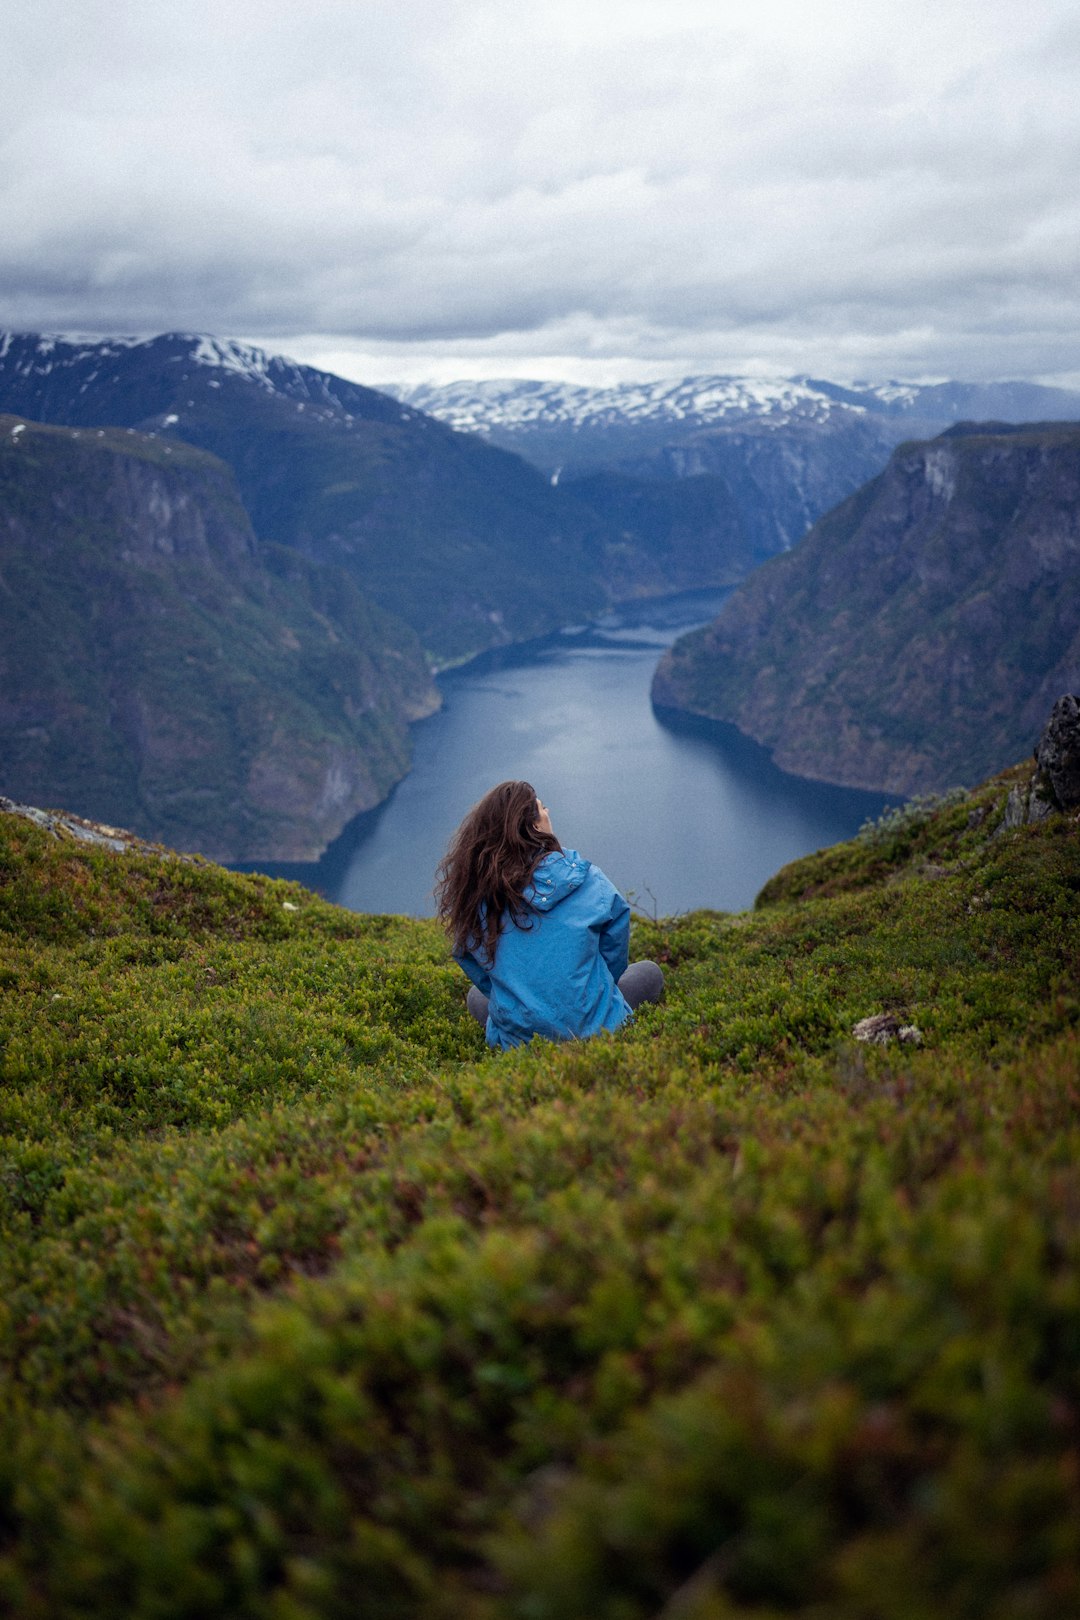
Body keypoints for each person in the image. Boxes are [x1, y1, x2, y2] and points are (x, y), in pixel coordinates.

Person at [435, 780, 664, 1050]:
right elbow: (615, 951)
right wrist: (584, 994)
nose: (548, 811)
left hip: (523, 1042)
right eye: (542, 808)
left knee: (477, 997)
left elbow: (472, 961)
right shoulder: (586, 878)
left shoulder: (478, 894)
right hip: (597, 1029)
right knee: (649, 973)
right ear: (534, 826)